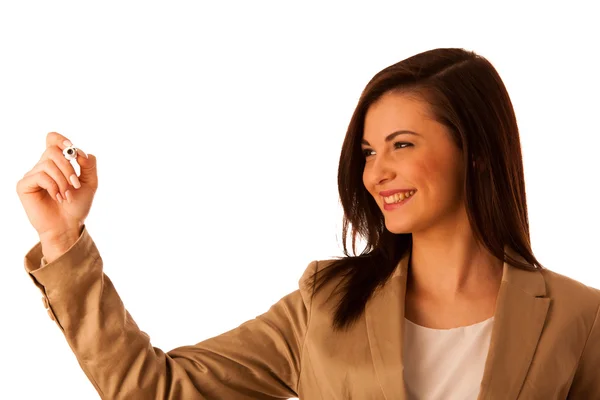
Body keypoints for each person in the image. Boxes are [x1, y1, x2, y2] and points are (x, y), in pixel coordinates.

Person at [16, 48, 600, 399]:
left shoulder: (579, 319)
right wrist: (62, 239)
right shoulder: (327, 303)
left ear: (474, 150)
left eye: (401, 144)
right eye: (369, 151)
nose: (378, 173)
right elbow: (160, 390)